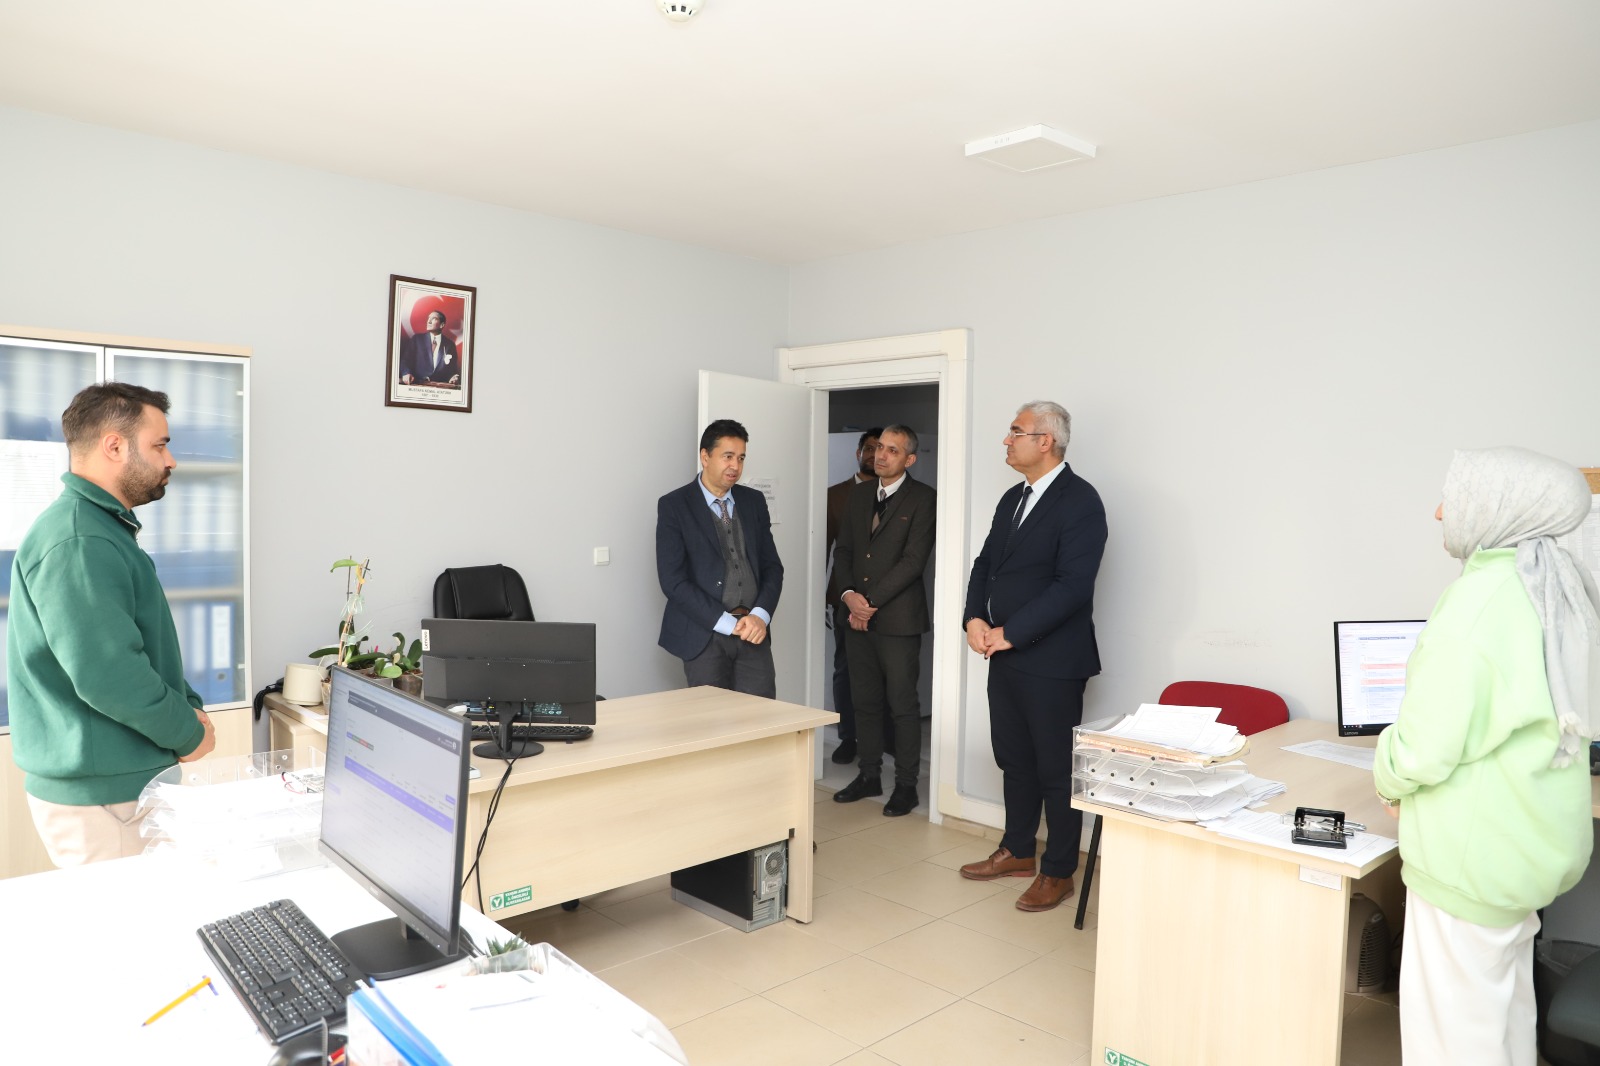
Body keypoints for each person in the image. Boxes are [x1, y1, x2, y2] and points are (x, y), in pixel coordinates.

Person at [1374, 447, 1598, 1065]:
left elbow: (1423, 746)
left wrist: (1386, 776)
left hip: (1469, 868)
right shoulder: (1555, 587)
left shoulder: (1480, 599)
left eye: (1454, 497)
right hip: (1521, 860)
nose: (1439, 511)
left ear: (1498, 508)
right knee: (1503, 1025)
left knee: (1452, 1044)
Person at [7, 382, 216, 867]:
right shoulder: (80, 538)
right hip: (104, 796)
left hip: (116, 784)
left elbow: (141, 643)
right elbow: (109, 673)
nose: (170, 460)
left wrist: (188, 708)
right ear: (115, 446)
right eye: (159, 445)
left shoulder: (99, 528)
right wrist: (187, 732)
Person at [958, 400, 1107, 912]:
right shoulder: (1012, 498)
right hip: (1004, 654)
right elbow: (985, 566)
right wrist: (973, 619)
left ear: (1045, 441)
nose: (1006, 440)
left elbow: (1073, 586)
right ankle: (1018, 850)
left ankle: (1059, 870)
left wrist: (1011, 633)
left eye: (1015, 431)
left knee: (1055, 770)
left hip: (1053, 662)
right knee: (1014, 760)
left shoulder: (1080, 501)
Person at [829, 425, 936, 816]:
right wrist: (848, 596)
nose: (881, 455)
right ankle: (869, 775)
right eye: (878, 449)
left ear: (910, 459)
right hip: (856, 616)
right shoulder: (859, 495)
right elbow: (844, 551)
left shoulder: (924, 498)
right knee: (865, 701)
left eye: (892, 450)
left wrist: (868, 603)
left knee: (902, 705)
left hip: (898, 620)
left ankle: (906, 786)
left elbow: (913, 562)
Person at [655, 419, 784, 697]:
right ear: (705, 456)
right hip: (704, 636)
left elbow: (773, 567)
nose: (735, 466)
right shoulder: (674, 505)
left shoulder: (753, 501)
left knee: (761, 716)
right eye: (728, 456)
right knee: (711, 718)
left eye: (741, 458)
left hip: (752, 632)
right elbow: (672, 581)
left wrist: (760, 616)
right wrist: (726, 623)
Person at [824, 427, 881, 764]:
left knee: (884, 670)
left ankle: (882, 735)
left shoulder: (900, 494)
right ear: (858, 453)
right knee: (845, 668)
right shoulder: (835, 496)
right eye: (869, 448)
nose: (875, 455)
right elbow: (824, 548)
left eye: (882, 448)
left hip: (888, 600)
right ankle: (848, 736)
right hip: (844, 598)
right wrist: (823, 597)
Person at [402, 309, 460, 385]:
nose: (429, 321)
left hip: (440, 387)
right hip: (417, 384)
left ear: (442, 325)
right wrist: (406, 373)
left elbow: (452, 370)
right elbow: (405, 361)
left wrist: (454, 377)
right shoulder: (417, 339)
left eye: (434, 319)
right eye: (429, 318)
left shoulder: (450, 344)